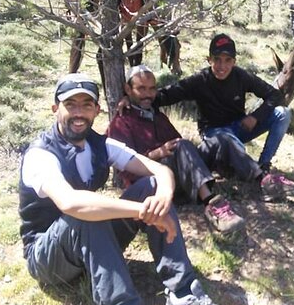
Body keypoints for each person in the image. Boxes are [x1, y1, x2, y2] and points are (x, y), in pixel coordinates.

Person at [18, 73, 234, 305]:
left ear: (97, 110)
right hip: (47, 258)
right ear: (55, 109)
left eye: (87, 105)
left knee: (150, 186)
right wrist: (140, 211)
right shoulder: (41, 154)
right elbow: (71, 202)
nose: (79, 113)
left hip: (88, 243)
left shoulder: (100, 144)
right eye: (70, 104)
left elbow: (156, 169)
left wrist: (162, 197)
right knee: (85, 211)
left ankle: (183, 292)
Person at [107, 64, 258, 234]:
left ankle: (261, 179)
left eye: (152, 89)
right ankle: (211, 203)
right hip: (158, 185)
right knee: (182, 146)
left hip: (182, 174)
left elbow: (180, 146)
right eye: (141, 88)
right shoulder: (121, 123)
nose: (148, 94)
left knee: (220, 139)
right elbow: (125, 171)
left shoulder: (158, 116)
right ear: (128, 89)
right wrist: (157, 153)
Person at [156, 33, 294, 192]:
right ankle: (248, 173)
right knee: (229, 142)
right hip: (214, 134)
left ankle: (263, 165)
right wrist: (133, 97)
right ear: (209, 60)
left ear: (234, 61)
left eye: (228, 60)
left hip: (239, 127)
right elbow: (169, 94)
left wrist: (256, 117)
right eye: (217, 60)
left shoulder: (241, 76)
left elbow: (274, 95)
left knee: (283, 113)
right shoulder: (200, 80)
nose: (222, 66)